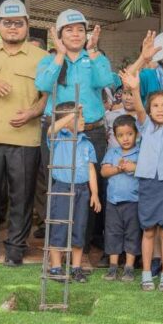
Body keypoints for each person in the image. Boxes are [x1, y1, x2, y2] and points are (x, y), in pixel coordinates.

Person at [0, 0, 47, 266]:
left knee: (22, 197)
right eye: (7, 23)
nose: (13, 28)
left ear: (27, 25)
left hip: (26, 139)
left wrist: (32, 112)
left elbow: (47, 96)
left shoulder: (42, 57)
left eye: (18, 23)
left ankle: (15, 248)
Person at [35, 9, 115, 256]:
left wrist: (93, 51)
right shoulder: (49, 61)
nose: (76, 34)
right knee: (58, 186)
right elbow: (42, 86)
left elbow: (104, 81)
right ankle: (56, 247)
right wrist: (59, 55)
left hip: (92, 132)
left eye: (80, 29)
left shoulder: (94, 57)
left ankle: (82, 247)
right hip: (57, 132)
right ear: (59, 35)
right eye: (69, 29)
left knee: (90, 189)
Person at [120, 68, 163, 292]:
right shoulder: (145, 125)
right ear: (150, 109)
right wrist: (134, 88)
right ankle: (147, 273)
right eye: (156, 106)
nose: (160, 109)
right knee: (149, 230)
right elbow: (139, 108)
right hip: (148, 183)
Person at [45, 102, 101, 283]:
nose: (83, 120)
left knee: (79, 229)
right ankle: (55, 267)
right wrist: (72, 115)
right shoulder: (58, 138)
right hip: (62, 187)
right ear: (67, 121)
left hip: (82, 190)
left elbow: (91, 169)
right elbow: (51, 129)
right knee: (59, 226)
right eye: (79, 117)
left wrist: (95, 194)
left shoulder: (87, 143)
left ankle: (76, 267)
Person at [100, 115, 140, 283]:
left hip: (133, 202)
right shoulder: (112, 152)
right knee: (112, 233)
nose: (125, 138)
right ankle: (113, 266)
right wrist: (118, 169)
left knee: (132, 233)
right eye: (121, 135)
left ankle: (129, 267)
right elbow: (103, 172)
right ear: (115, 137)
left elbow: (144, 170)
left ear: (137, 134)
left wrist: (132, 166)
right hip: (113, 202)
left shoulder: (140, 152)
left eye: (129, 134)